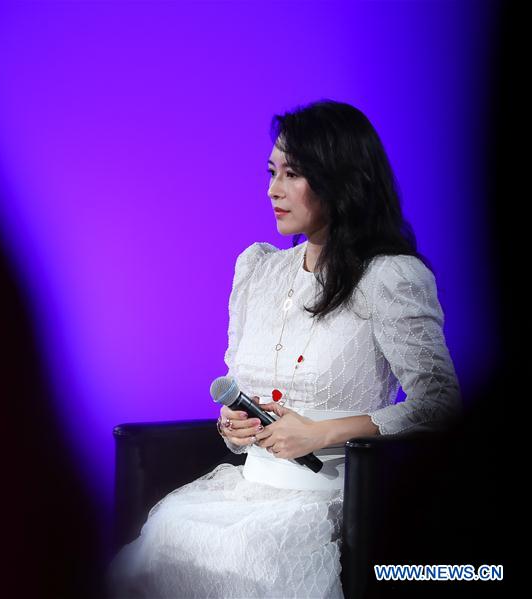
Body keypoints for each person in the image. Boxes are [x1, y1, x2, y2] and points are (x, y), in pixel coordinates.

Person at [104, 99, 463, 598]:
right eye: (272, 172)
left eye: (292, 174)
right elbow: (238, 399)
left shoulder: (390, 277)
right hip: (249, 489)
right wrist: (235, 426)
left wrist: (320, 433)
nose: (272, 189)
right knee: (171, 537)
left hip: (329, 497)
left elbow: (441, 405)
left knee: (249, 554)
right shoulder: (258, 271)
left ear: (339, 178)